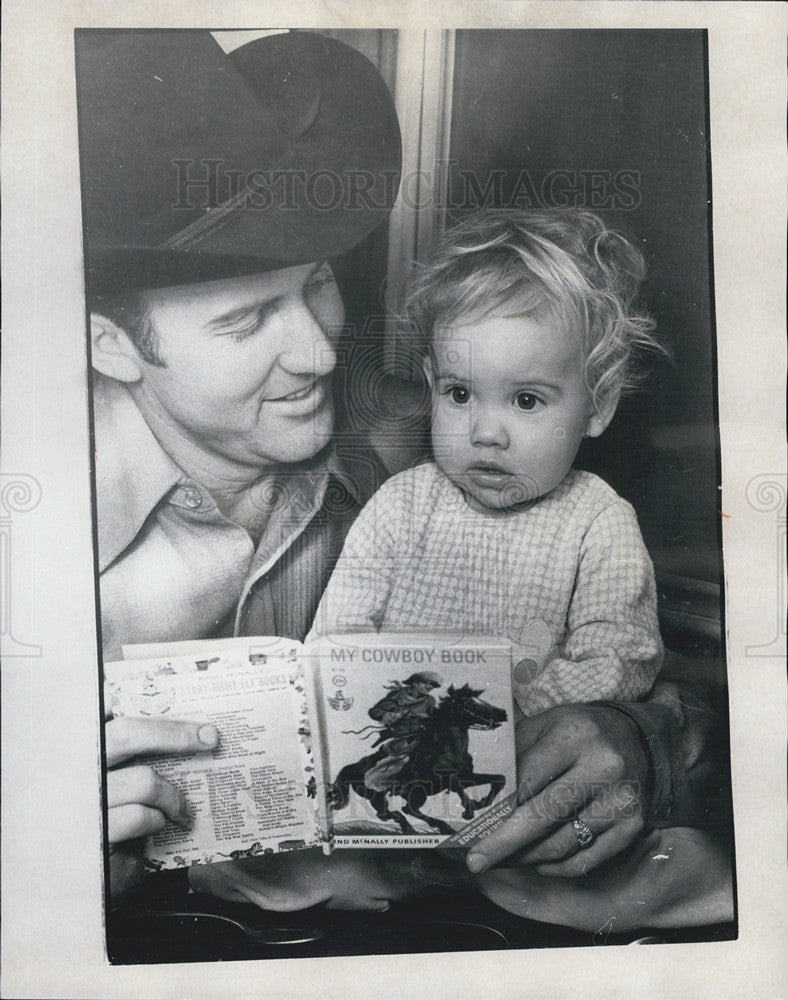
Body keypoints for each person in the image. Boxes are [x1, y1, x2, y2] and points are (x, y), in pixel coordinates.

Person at [80, 29, 733, 932]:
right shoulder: (34, 545)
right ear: (110, 342)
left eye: (317, 283)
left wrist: (639, 741)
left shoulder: (415, 439)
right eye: (244, 320)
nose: (318, 351)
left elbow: (683, 690)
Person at [309, 208, 665, 729]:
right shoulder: (401, 504)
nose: (486, 433)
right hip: (389, 734)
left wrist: (507, 714)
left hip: (525, 753)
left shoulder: (597, 521)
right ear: (432, 386)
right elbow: (334, 638)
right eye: (459, 394)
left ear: (597, 407)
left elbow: (619, 659)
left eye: (525, 400)